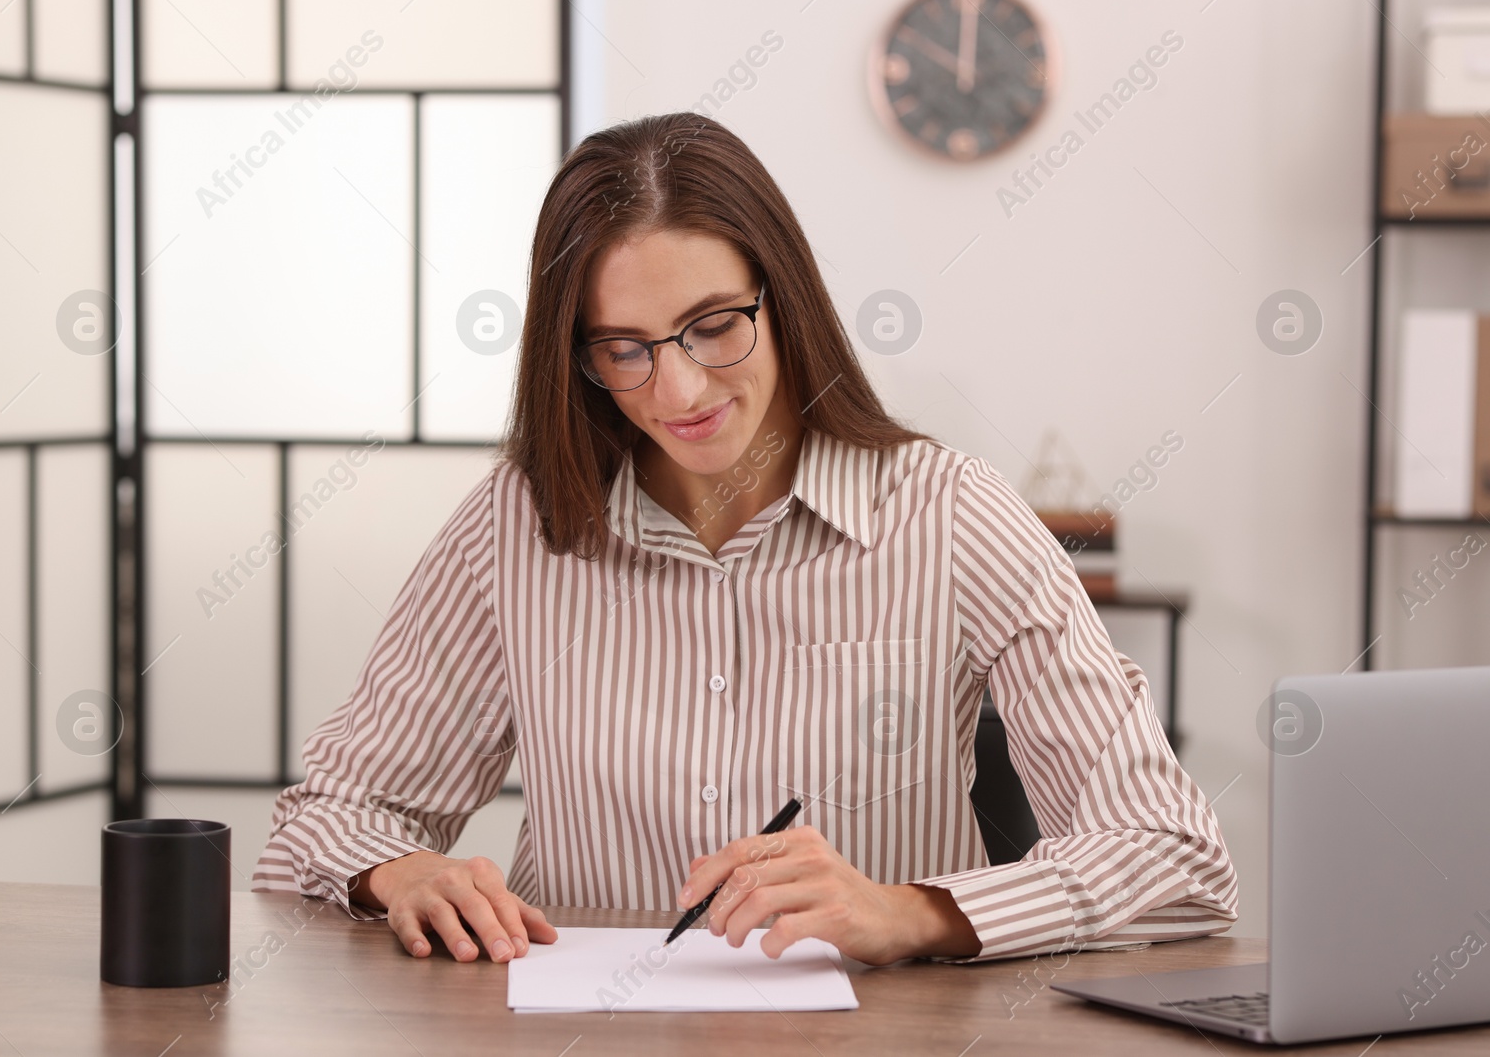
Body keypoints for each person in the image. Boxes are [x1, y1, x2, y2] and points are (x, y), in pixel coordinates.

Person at [253, 112, 1237, 968]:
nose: (675, 390)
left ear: (783, 297)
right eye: (622, 348)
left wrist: (909, 911)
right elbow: (320, 820)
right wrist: (402, 870)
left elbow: (1173, 856)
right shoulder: (518, 524)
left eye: (713, 324)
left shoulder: (950, 516)